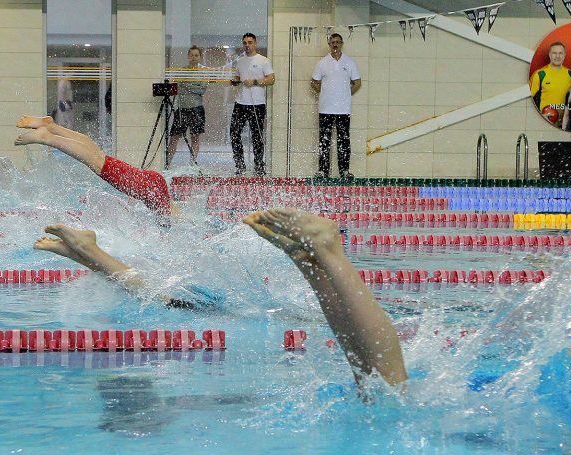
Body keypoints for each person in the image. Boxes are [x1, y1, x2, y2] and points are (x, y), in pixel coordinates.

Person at [33, 209, 407, 388]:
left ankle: (89, 253)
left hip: (245, 307)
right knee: (382, 384)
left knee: (378, 383)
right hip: (254, 308)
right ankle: (319, 256)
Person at [15, 115, 172, 215]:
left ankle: (52, 127)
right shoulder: (176, 222)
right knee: (98, 163)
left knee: (98, 156)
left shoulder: (173, 213)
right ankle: (47, 137)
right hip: (148, 189)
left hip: (153, 184)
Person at [311, 33, 361, 179]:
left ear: (342, 44)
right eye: (333, 42)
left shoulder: (349, 62)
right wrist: (325, 92)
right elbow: (314, 82)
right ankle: (323, 171)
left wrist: (345, 93)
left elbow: (357, 82)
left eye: (338, 42)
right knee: (324, 140)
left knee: (344, 140)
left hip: (343, 109)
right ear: (329, 44)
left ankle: (344, 171)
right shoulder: (322, 63)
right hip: (325, 108)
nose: (335, 44)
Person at [230, 33, 275, 177]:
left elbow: (271, 79)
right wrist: (235, 80)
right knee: (234, 133)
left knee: (257, 136)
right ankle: (240, 165)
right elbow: (239, 76)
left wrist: (254, 82)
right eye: (245, 43)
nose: (247, 45)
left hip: (257, 104)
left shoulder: (263, 60)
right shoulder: (240, 61)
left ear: (255, 43)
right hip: (240, 103)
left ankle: (259, 167)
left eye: (250, 42)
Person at [166, 46, 209, 166]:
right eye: (191, 55)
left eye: (196, 55)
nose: (194, 58)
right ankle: (167, 164)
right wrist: (191, 85)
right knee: (174, 138)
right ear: (188, 56)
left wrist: (185, 84)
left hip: (197, 109)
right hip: (182, 110)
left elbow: (202, 90)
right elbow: (177, 88)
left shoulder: (203, 72)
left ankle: (192, 164)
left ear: (200, 57)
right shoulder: (182, 71)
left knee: (195, 138)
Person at [530, 42, 571, 127]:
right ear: (549, 55)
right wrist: (540, 117)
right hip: (545, 122)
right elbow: (528, 99)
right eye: (554, 53)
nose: (557, 56)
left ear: (564, 55)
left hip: (566, 124)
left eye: (560, 53)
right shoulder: (540, 74)